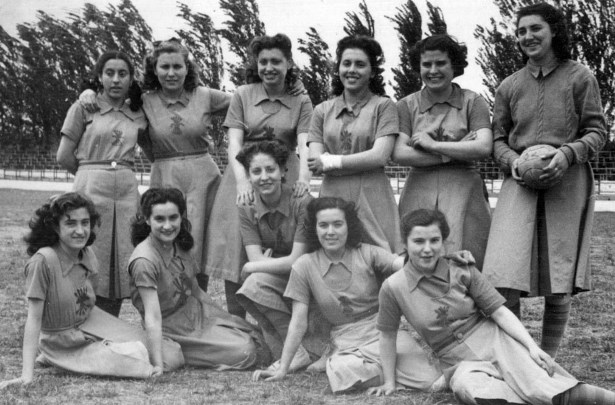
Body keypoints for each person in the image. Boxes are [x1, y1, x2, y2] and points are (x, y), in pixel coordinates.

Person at [371, 208, 615, 404]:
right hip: (456, 361)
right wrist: (390, 382)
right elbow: (387, 336)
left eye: (435, 240)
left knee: (541, 386)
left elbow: (499, 311)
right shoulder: (393, 287)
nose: (427, 249)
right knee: (470, 388)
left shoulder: (462, 269)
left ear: (444, 241)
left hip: (496, 340)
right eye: (418, 241)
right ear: (405, 242)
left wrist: (531, 348)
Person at [482, 2, 607, 358]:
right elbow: (498, 140)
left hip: (566, 182)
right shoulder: (509, 86)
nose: (527, 36)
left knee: (558, 281)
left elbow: (597, 130)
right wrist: (514, 164)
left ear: (554, 31)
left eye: (535, 28)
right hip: (518, 183)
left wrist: (567, 155)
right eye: (521, 31)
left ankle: (548, 360)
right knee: (505, 276)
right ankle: (521, 358)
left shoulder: (580, 77)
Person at [252, 197, 444, 394]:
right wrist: (284, 367)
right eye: (323, 225)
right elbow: (298, 322)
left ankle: (385, 373)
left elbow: (402, 264)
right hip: (346, 340)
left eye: (338, 224)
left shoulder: (367, 253)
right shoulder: (304, 266)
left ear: (348, 226)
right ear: (314, 228)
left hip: (383, 331)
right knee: (342, 374)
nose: (330, 232)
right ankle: (378, 370)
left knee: (429, 381)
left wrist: (448, 260)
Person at [0, 193, 155, 390]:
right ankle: (51, 357)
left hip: (89, 323)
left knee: (166, 351)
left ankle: (93, 350)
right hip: (61, 342)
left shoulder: (87, 254)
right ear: (56, 227)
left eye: (85, 223)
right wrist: (26, 376)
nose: (80, 231)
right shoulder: (43, 261)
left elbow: (87, 302)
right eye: (71, 223)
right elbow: (34, 320)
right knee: (136, 359)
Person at [206, 33, 313, 317]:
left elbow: (304, 143)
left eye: (276, 61)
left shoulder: (301, 99)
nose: (268, 67)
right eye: (263, 61)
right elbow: (235, 143)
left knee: (284, 241)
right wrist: (242, 181)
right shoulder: (243, 94)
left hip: (281, 171)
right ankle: (237, 321)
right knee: (237, 246)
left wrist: (304, 178)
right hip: (244, 171)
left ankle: (278, 317)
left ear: (288, 63)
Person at [129, 187, 266, 372]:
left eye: (173, 218)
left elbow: (196, 291)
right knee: (245, 351)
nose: (168, 226)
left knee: (259, 338)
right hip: (171, 327)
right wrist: (158, 366)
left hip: (195, 314)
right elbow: (152, 316)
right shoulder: (144, 261)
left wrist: (225, 318)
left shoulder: (179, 244)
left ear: (181, 217)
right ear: (147, 219)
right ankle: (177, 352)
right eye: (159, 219)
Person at [57, 51, 147, 316]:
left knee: (120, 260)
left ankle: (109, 325)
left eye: (123, 74)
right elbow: (63, 156)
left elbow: (153, 147)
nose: (116, 80)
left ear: (131, 79)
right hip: (91, 189)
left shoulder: (138, 112)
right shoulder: (84, 106)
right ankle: (76, 323)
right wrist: (91, 174)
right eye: (109, 73)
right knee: (88, 254)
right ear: (99, 77)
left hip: (127, 192)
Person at [394, 34, 492, 269]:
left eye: (441, 63)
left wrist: (432, 144)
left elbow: (483, 147)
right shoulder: (406, 105)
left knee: (468, 260)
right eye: (426, 64)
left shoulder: (473, 101)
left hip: (465, 190)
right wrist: (455, 151)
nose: (433, 70)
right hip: (418, 190)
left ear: (454, 66)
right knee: (416, 261)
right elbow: (399, 153)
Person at [234, 140, 327, 370]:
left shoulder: (301, 201)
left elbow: (297, 261)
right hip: (286, 275)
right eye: (256, 171)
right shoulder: (247, 207)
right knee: (252, 285)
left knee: (252, 276)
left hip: (314, 276)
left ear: (284, 171)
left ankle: (310, 346)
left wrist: (257, 265)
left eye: (270, 169)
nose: (264, 177)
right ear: (248, 175)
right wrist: (258, 265)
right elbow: (255, 258)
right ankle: (294, 350)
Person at [308, 35, 402, 254]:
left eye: (360, 64)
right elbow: (315, 161)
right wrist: (339, 162)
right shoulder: (322, 110)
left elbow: (379, 156)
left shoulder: (384, 107)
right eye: (346, 63)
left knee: (383, 256)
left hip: (372, 193)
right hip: (332, 194)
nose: (352, 70)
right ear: (338, 67)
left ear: (372, 71)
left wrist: (331, 161)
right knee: (333, 255)